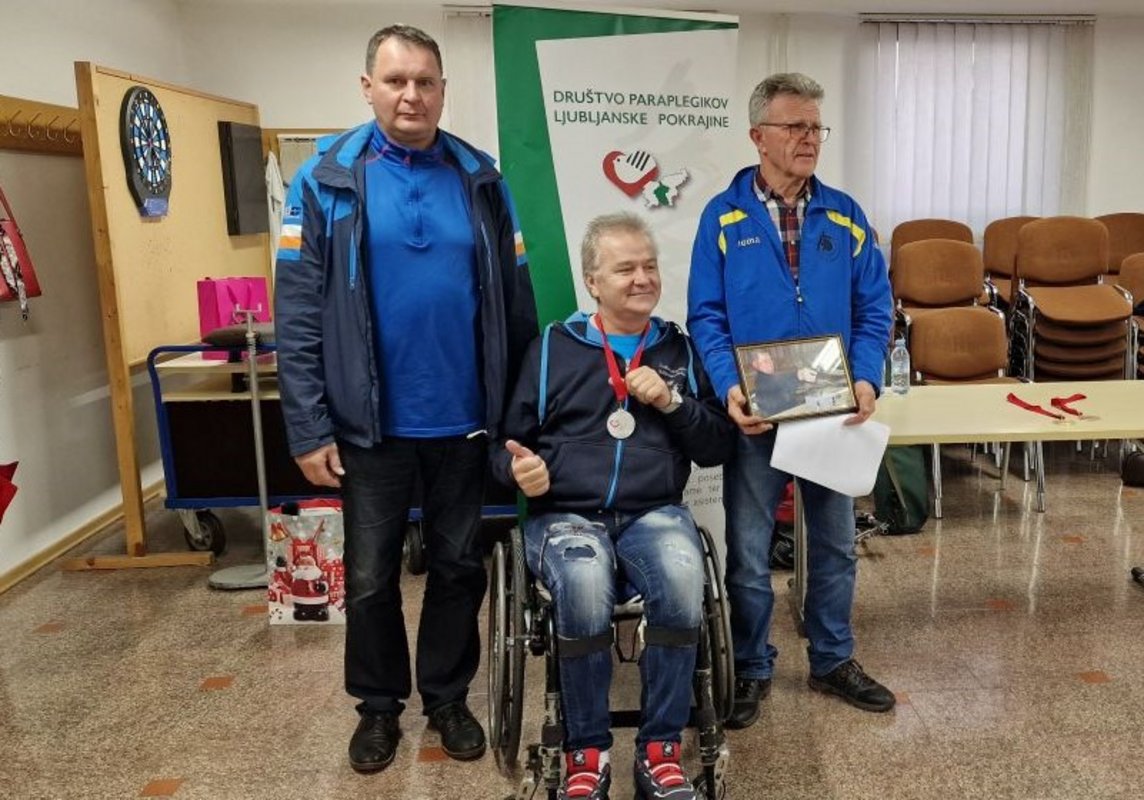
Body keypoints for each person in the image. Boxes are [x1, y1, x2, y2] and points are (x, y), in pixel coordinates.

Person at [274, 24, 537, 773]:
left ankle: (448, 698)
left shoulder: (481, 178)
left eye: (425, 81)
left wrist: (516, 414)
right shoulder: (325, 180)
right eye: (396, 81)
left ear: (443, 90)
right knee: (369, 578)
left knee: (458, 567)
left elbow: (517, 305)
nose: (411, 95)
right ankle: (379, 707)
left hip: (465, 422)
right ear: (369, 88)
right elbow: (297, 313)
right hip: (369, 426)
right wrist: (308, 426)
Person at [493, 213, 736, 800]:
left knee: (682, 577)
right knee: (581, 583)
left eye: (649, 266)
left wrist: (674, 403)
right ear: (592, 282)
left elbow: (716, 446)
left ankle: (660, 752)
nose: (642, 278)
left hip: (655, 512)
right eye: (625, 268)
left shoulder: (678, 347)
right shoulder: (552, 349)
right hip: (565, 514)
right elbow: (505, 446)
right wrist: (517, 471)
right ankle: (586, 753)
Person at [687, 72, 896, 726]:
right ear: (758, 136)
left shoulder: (846, 215)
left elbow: (875, 308)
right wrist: (728, 387)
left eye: (815, 127)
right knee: (750, 555)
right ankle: (752, 666)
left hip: (832, 408)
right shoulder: (722, 218)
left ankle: (832, 660)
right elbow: (706, 316)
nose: (809, 139)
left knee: (834, 545)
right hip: (758, 413)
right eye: (794, 126)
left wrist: (867, 377)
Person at [748, 349, 817, 418]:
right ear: (755, 364)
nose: (770, 363)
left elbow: (780, 380)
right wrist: (798, 375)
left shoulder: (772, 377)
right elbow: (776, 382)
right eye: (765, 361)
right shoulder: (761, 382)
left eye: (771, 359)